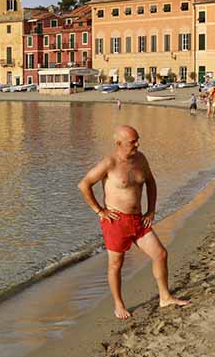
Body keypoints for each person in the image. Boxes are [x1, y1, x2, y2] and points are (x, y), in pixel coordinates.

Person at [78, 125, 191, 319]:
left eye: (137, 140)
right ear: (119, 143)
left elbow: (151, 182)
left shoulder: (140, 159)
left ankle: (165, 297)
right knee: (116, 264)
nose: (137, 144)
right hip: (116, 222)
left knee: (160, 254)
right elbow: (84, 184)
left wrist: (151, 210)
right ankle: (118, 305)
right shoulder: (109, 163)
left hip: (138, 220)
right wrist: (100, 210)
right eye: (133, 142)